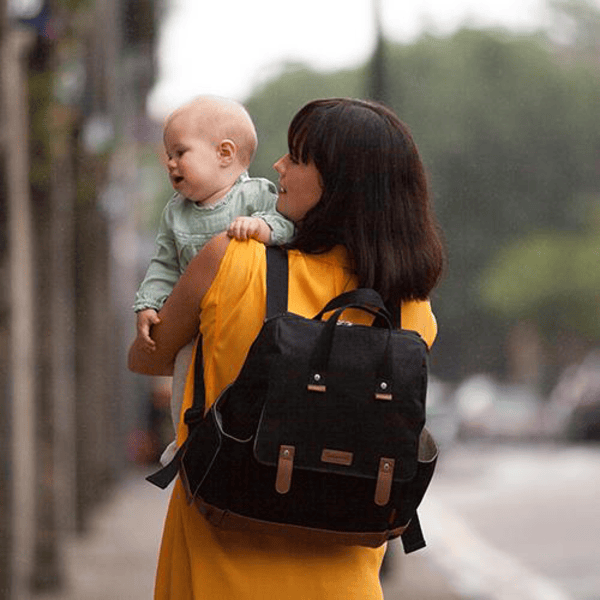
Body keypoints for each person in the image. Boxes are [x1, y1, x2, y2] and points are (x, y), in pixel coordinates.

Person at [128, 97, 445, 599]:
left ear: (337, 181)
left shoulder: (231, 261)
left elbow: (146, 356)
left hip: (220, 544)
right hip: (344, 574)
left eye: (296, 157)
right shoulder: (409, 309)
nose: (278, 166)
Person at [133, 95, 294, 463]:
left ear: (224, 153)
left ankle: (250, 438)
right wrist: (148, 304)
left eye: (179, 152)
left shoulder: (256, 195)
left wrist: (262, 226)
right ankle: (185, 441)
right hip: (196, 326)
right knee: (184, 376)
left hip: (246, 321)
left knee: (246, 382)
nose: (170, 163)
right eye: (167, 155)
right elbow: (163, 265)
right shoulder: (176, 214)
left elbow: (287, 228)